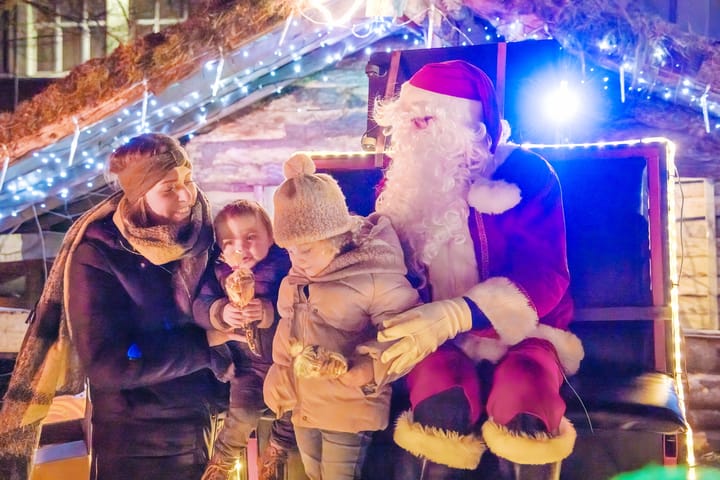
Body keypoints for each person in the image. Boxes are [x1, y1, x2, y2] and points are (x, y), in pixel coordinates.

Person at [372, 60, 585, 479]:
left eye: (429, 121)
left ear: (471, 125)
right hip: (434, 341)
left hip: (527, 334)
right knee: (439, 393)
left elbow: (548, 277)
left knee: (523, 393)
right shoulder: (397, 187)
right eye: (410, 123)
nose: (418, 133)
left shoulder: (526, 174)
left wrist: (456, 314)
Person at [0, 133, 233, 480]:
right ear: (140, 195)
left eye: (188, 180)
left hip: (200, 424)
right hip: (134, 438)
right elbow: (108, 364)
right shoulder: (99, 255)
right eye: (169, 188)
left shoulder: (205, 240)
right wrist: (205, 344)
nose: (186, 195)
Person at [263, 153, 421, 480]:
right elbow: (287, 329)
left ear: (336, 238)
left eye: (305, 249)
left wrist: (367, 368)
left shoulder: (373, 274)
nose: (297, 259)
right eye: (290, 250)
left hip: (349, 406)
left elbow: (404, 334)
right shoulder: (296, 279)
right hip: (304, 407)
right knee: (311, 472)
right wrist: (279, 376)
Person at [193, 199, 296, 480]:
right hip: (246, 367)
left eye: (251, 238)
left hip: (284, 363)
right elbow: (201, 306)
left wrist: (269, 310)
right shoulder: (217, 273)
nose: (240, 248)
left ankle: (276, 450)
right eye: (229, 241)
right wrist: (221, 312)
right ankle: (223, 461)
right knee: (241, 414)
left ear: (271, 236)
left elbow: (302, 302)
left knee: (292, 410)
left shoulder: (284, 265)